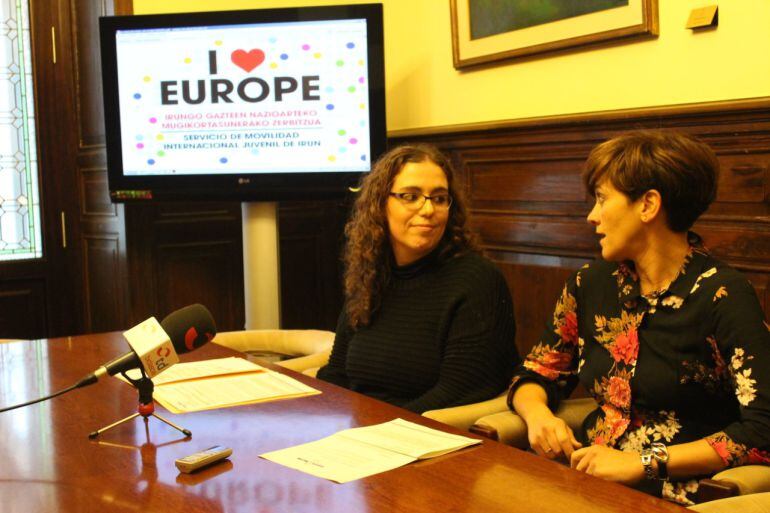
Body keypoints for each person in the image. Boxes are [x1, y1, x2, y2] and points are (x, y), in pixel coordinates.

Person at [506, 130, 770, 504]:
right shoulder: (588, 283)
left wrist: (641, 463)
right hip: (582, 480)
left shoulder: (722, 295)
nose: (591, 216)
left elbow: (762, 429)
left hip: (676, 493)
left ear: (647, 205)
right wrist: (538, 416)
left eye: (601, 199)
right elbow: (537, 373)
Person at [317, 143, 518, 413]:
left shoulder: (477, 280)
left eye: (438, 198)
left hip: (426, 438)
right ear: (379, 205)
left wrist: (381, 430)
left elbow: (461, 391)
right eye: (410, 196)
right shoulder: (370, 273)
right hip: (358, 432)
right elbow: (337, 373)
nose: (427, 210)